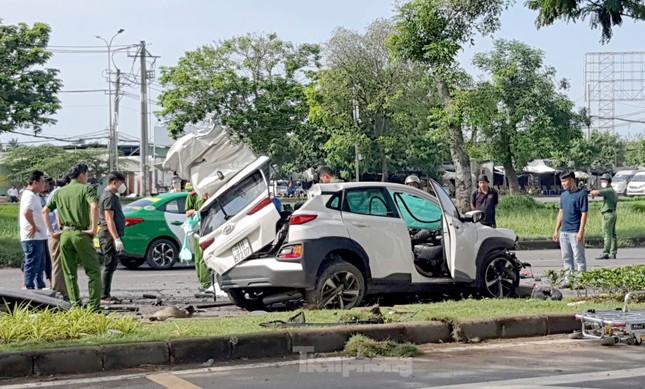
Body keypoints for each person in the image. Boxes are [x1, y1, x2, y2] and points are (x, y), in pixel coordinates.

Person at [42, 163, 102, 311]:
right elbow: (94, 207)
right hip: (81, 234)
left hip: (65, 235)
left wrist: (52, 231)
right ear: (81, 175)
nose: (87, 178)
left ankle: (75, 305)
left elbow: (45, 211)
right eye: (86, 175)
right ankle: (93, 307)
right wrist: (93, 229)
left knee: (69, 272)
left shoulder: (60, 192)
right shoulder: (87, 189)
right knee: (93, 271)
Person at [98, 172, 127, 304]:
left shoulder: (111, 196)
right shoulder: (109, 197)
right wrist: (116, 238)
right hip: (108, 235)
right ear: (114, 182)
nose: (123, 186)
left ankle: (106, 294)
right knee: (109, 265)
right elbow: (109, 219)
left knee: (112, 264)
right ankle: (104, 296)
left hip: (110, 234)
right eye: (121, 183)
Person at [553, 171, 588, 274]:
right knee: (566, 258)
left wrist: (581, 231)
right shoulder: (563, 195)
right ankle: (568, 280)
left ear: (572, 180)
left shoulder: (581, 194)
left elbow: (584, 214)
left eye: (565, 181)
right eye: (561, 182)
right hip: (564, 232)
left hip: (575, 232)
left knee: (579, 258)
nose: (563, 184)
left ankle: (581, 280)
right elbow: (561, 213)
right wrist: (556, 230)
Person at [19, 171, 49, 290]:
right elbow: (27, 212)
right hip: (32, 236)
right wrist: (33, 226)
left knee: (40, 264)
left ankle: (40, 285)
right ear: (35, 182)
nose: (44, 185)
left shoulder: (34, 195)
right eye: (42, 182)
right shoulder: (29, 195)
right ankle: (29, 286)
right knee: (32, 263)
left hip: (39, 236)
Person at [46, 174, 70, 299]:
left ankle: (60, 290)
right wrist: (62, 229)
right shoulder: (60, 193)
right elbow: (58, 214)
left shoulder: (55, 192)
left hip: (53, 233)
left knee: (58, 263)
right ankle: (59, 292)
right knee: (59, 264)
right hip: (57, 234)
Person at [185, 190, 212, 292]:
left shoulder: (211, 190)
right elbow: (188, 213)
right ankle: (204, 283)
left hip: (211, 226)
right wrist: (196, 212)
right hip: (199, 229)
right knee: (201, 256)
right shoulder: (193, 195)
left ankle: (208, 283)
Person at [590, 173, 618, 260]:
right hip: (613, 213)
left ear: (609, 181)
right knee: (612, 234)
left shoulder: (608, 191)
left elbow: (595, 192)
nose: (602, 182)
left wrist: (591, 192)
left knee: (606, 234)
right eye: (601, 181)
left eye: (604, 181)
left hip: (607, 214)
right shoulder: (613, 191)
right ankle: (613, 252)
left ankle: (606, 252)